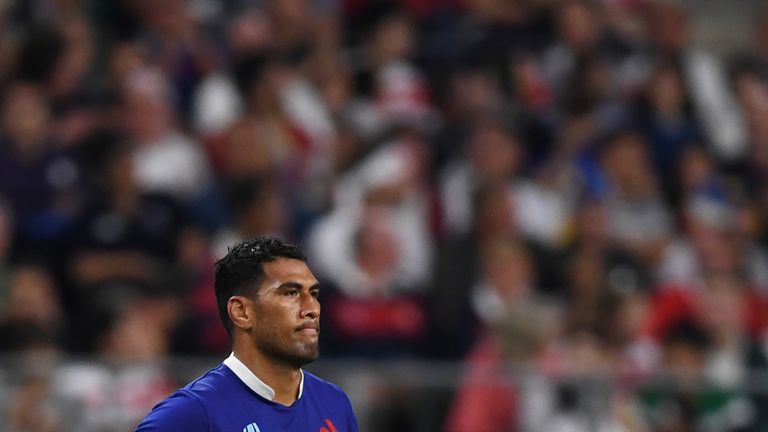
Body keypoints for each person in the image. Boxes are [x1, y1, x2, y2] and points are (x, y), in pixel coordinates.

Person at [135, 237, 359, 431]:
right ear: (242, 312)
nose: (312, 308)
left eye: (314, 293)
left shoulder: (335, 402)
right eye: (291, 293)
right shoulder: (193, 413)